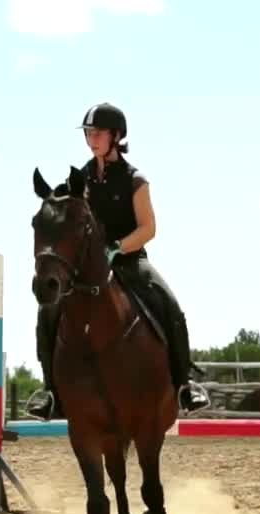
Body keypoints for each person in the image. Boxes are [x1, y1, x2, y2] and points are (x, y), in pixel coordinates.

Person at [26, 101, 210, 420]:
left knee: (170, 304)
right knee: (49, 311)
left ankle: (184, 385)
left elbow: (148, 228)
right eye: (88, 133)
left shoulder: (134, 179)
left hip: (129, 260)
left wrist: (116, 247)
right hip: (89, 269)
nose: (91, 138)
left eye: (97, 133)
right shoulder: (80, 179)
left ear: (116, 136)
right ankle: (50, 391)